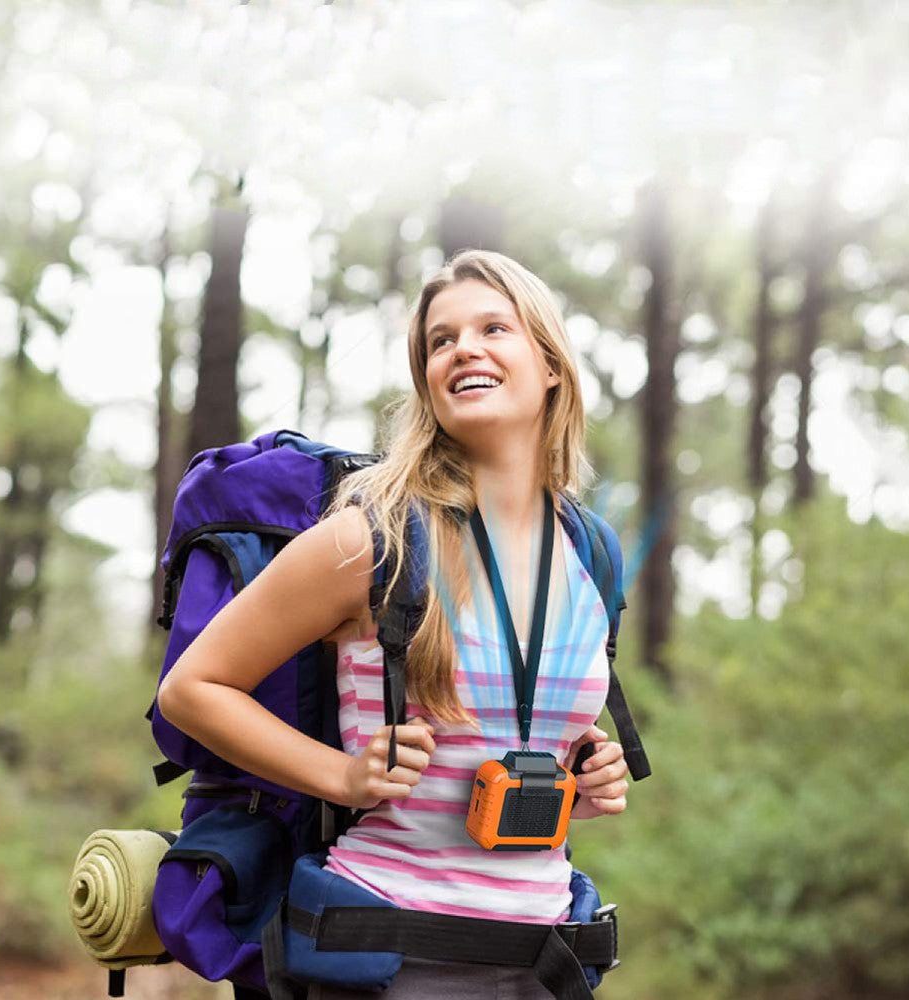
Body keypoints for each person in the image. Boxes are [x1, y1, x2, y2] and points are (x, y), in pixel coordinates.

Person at [157, 249, 631, 999]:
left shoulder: (590, 554)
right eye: (440, 341)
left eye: (492, 328)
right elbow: (193, 688)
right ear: (428, 382)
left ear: (550, 366)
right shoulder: (371, 538)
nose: (464, 349)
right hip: (388, 954)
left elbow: (501, 738)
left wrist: (583, 773)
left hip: (548, 959)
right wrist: (343, 775)